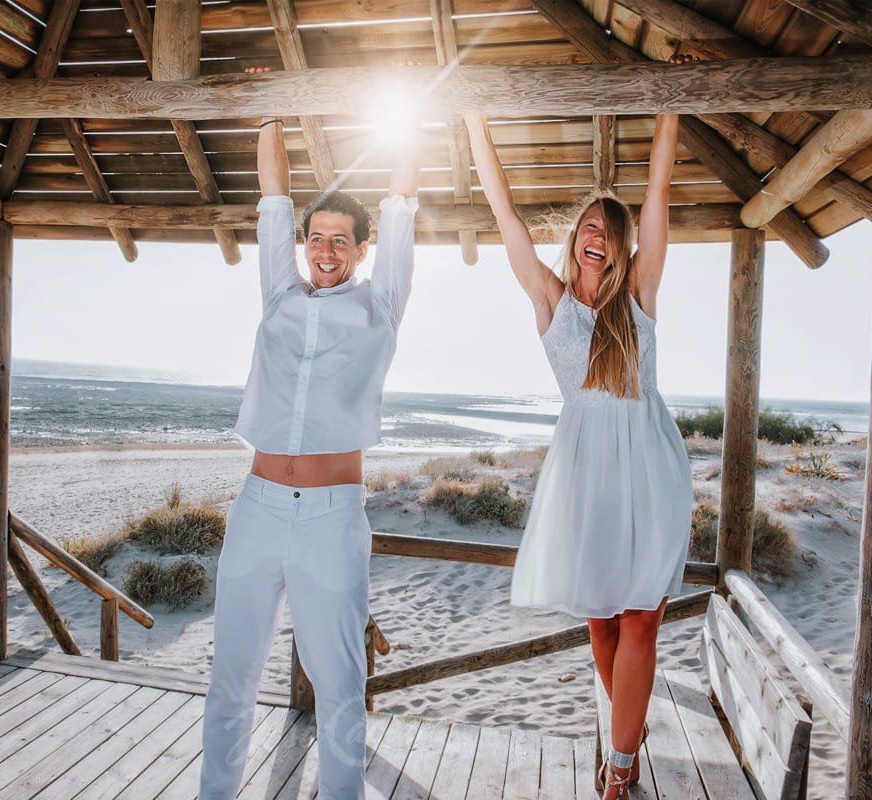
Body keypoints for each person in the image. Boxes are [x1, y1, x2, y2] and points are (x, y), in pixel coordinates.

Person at [463, 61, 693, 800]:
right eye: (589, 227)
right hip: (587, 479)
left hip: (648, 471)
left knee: (641, 622)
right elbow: (506, 221)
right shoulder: (553, 304)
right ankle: (630, 720)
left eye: (609, 232)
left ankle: (620, 765)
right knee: (601, 628)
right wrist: (474, 126)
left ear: (623, 251)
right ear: (575, 243)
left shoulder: (641, 302)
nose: (597, 236)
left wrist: (669, 107)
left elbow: (656, 196)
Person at [199, 97, 420, 799]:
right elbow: (273, 196)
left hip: (331, 519)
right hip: (257, 509)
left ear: (361, 249)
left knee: (340, 688)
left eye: (340, 241)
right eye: (316, 238)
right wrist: (270, 114)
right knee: (231, 678)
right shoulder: (277, 294)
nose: (325, 251)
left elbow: (402, 200)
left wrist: (415, 112)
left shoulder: (379, 306)